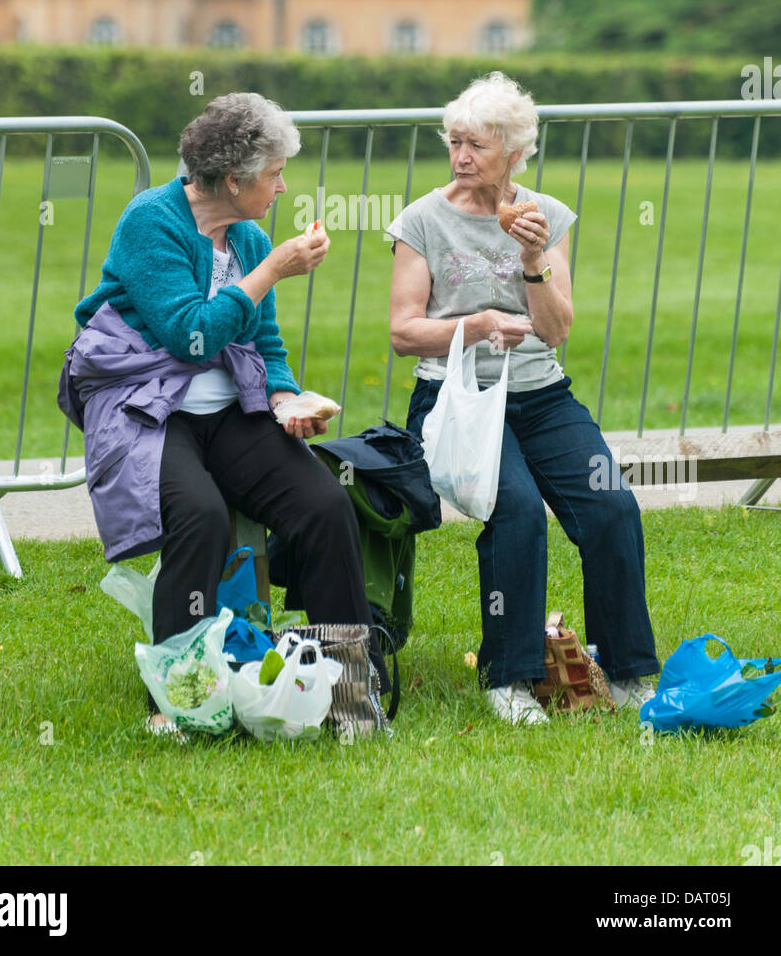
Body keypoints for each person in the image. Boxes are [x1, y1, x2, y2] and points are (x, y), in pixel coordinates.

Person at [68, 91, 388, 739]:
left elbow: (263, 345)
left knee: (325, 505)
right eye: (274, 174)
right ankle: (180, 701)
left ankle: (347, 693)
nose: (282, 185)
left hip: (227, 411)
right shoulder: (150, 222)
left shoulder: (246, 234)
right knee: (201, 516)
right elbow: (191, 334)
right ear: (235, 180)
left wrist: (284, 399)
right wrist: (270, 269)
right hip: (146, 411)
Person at [387, 71, 660, 725]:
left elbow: (555, 328)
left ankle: (626, 672)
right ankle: (507, 679)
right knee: (516, 512)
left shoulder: (546, 215)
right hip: (453, 398)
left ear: (512, 151)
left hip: (539, 396)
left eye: (474, 145)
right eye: (453, 141)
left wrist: (532, 258)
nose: (459, 156)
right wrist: (476, 325)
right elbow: (402, 332)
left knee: (612, 509)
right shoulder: (422, 219)